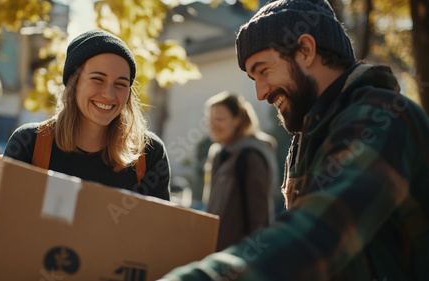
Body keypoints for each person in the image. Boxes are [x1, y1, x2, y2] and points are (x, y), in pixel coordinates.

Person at [161, 0, 429, 280]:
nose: (260, 93)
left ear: (306, 50)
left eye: (263, 71)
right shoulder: (305, 138)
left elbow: (321, 231)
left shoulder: (383, 117)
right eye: (253, 78)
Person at [3, 29, 170, 200]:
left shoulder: (150, 154)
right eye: (98, 79)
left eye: (121, 84)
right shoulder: (30, 144)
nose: (109, 95)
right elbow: (6, 219)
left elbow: (158, 226)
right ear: (73, 82)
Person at [203, 91, 278, 251]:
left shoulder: (250, 156)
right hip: (214, 254)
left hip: (237, 260)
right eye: (210, 120)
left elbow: (259, 218)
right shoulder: (218, 154)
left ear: (237, 120)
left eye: (220, 119)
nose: (213, 125)